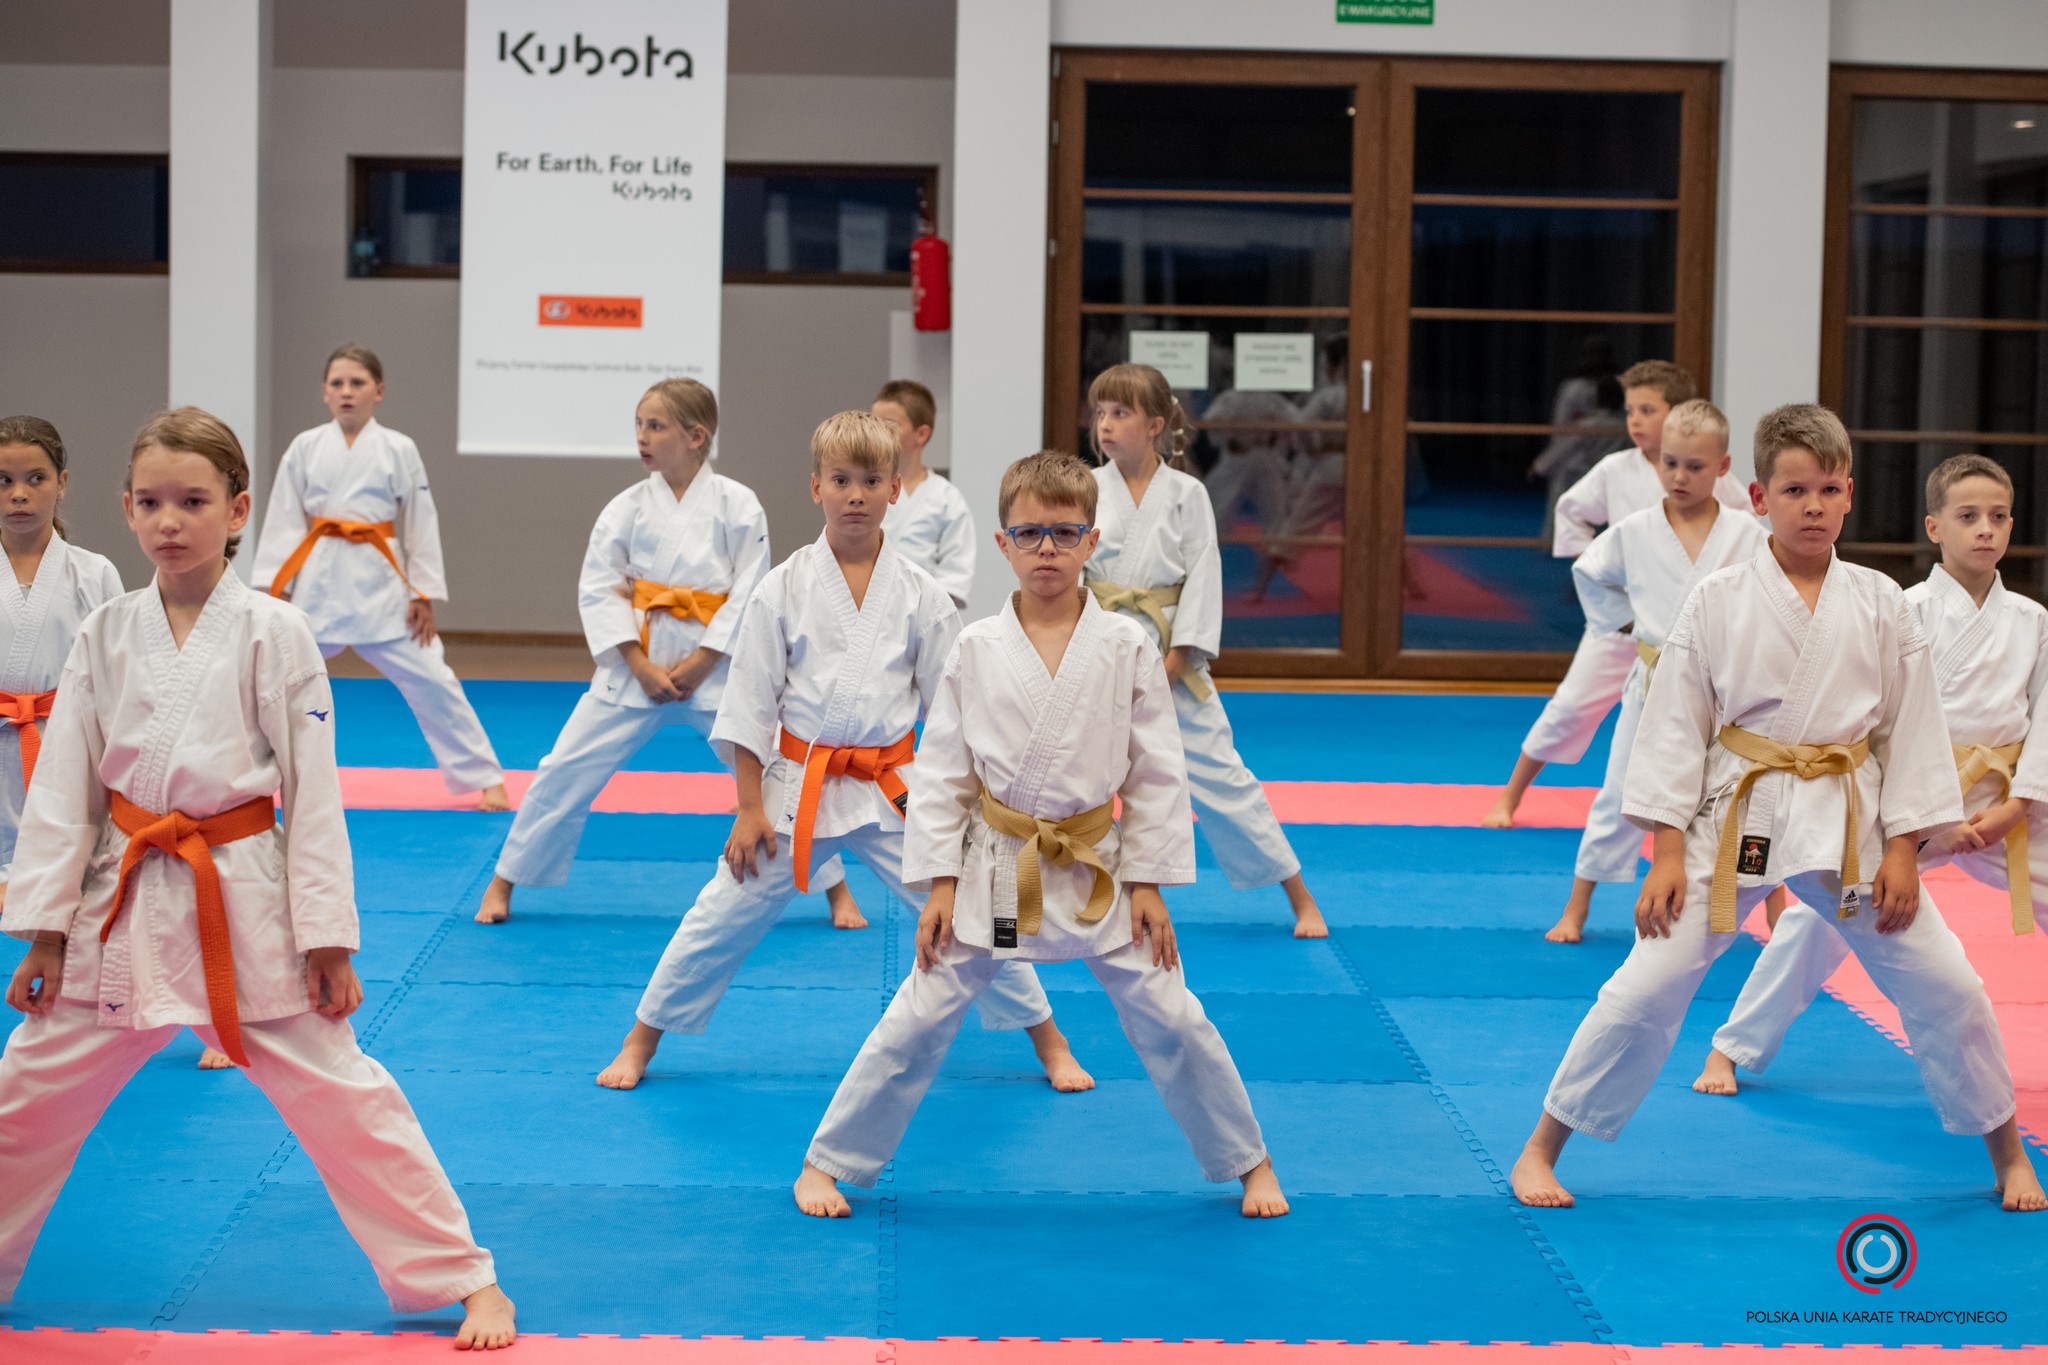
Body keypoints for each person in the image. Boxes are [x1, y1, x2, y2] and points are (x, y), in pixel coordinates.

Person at [0, 408, 519, 1346]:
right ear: (126, 507)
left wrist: (328, 939)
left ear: (238, 510)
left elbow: (313, 794)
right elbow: (65, 791)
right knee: (24, 1099)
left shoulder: (277, 631)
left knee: (346, 1098)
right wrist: (43, 930)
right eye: (151, 502)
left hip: (240, 902)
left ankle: (466, 1275)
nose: (170, 521)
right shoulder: (106, 632)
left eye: (194, 501)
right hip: (118, 904)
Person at [1509, 404, 2043, 1214]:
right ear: (1759, 497)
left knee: (1950, 984)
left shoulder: (1880, 602)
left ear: (1850, 494)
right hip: (1739, 815)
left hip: (1851, 824)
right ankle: (1542, 1146)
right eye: (1795, 490)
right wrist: (1664, 853)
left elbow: (1910, 731)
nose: (1813, 506)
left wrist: (1906, 850)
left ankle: (2007, 1152)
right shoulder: (1717, 599)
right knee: (1645, 986)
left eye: (1828, 489)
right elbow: (1674, 727)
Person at [795, 450, 1287, 1220]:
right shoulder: (975, 647)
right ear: (1004, 544)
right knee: (921, 1013)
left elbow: (1157, 774)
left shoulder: (1126, 644)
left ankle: (1249, 1161)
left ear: (1093, 541)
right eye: (1029, 533)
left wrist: (1150, 883)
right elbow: (944, 775)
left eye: (1064, 532)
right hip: (1001, 876)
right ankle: (827, 1161)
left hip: (1098, 874)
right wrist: (940, 885)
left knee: (1174, 1016)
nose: (1047, 548)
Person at [593, 412, 1090, 1094]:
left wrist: (975, 806)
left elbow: (956, 712)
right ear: (816, 488)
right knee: (721, 910)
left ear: (895, 490)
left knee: (972, 908)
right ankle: (641, 1037)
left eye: (872, 481)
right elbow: (749, 704)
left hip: (894, 784)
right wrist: (747, 807)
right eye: (841, 480)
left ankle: (1050, 1040)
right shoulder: (781, 588)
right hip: (798, 783)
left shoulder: (921, 594)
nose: (856, 495)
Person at [1695, 453, 2048, 1096]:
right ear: (1934, 527)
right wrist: (1922, 820)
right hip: (1914, 795)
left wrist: (2020, 804)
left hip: (2004, 798)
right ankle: (1732, 1047)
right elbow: (1882, 721)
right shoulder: (1898, 608)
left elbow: (2045, 717)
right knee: (1823, 918)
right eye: (1968, 516)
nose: (1985, 529)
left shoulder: (2033, 620)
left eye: (1999, 517)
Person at [472, 380, 858, 928]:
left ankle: (837, 889)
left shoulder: (738, 504)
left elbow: (752, 590)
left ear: (696, 436)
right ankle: (503, 880)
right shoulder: (625, 508)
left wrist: (703, 661)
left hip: (716, 673)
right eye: (639, 425)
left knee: (777, 772)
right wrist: (637, 663)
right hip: (638, 671)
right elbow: (600, 588)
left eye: (655, 426)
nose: (642, 437)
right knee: (563, 769)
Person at [1084, 363, 1326, 938]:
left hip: (1173, 658)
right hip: (1102, 654)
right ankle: (1074, 893)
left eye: (1120, 413)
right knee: (1079, 779)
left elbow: (1203, 577)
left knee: (1222, 775)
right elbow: (1074, 572)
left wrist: (1176, 660)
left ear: (1156, 425)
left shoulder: (1187, 493)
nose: (1105, 425)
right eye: (1100, 413)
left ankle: (1299, 895)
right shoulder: (1087, 488)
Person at [1544, 400, 1775, 943]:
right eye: (1670, 463)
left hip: (1726, 693)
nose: (1679, 476)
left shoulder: (1746, 533)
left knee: (1749, 797)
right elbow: (1590, 572)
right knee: (1619, 794)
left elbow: (1771, 595)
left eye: (1695, 466)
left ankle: (1775, 908)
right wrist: (1622, 622)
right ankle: (1577, 907)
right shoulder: (1635, 529)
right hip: (1652, 686)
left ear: (1723, 467)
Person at [1484, 361, 1748, 830]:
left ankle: (1689, 820)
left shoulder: (1714, 479)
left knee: (1704, 731)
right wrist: (1606, 579)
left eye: (1648, 410)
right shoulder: (1615, 470)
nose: (1635, 421)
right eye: (1630, 411)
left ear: (1678, 414)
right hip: (1622, 623)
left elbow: (1742, 538)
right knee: (1570, 706)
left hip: (1688, 635)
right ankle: (1510, 795)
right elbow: (1571, 512)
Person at [252, 344, 508, 812]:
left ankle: (485, 777)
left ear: (379, 391)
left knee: (434, 679)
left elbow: (421, 520)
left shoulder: (398, 448)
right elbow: (284, 519)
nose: (346, 392)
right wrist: (274, 590)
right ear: (325, 393)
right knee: (268, 681)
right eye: (337, 384)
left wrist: (423, 592)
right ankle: (239, 778)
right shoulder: (305, 447)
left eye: (357, 383)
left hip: (383, 585)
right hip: (318, 584)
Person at [0, 417, 123, 899]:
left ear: (62, 483)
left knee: (70, 883)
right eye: (4, 480)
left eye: (36, 478)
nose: (19, 494)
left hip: (67, 745)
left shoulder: (94, 574)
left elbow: (120, 682)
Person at [873, 379, 974, 609]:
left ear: (921, 434)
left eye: (888, 425)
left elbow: (955, 580)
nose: (878, 433)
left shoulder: (947, 499)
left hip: (925, 614)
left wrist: (909, 610)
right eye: (874, 423)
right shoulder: (864, 490)